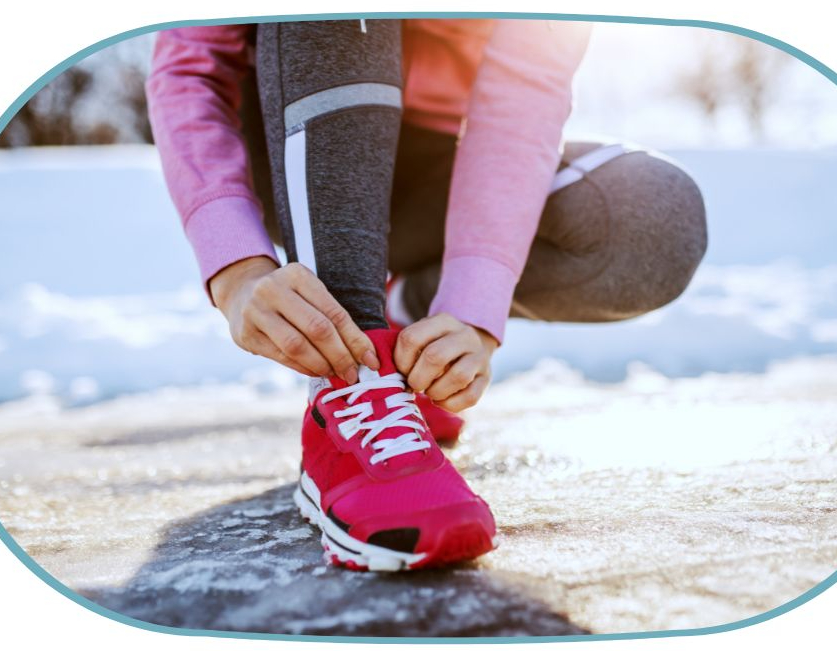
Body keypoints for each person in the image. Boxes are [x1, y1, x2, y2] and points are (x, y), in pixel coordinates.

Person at [146, 18, 707, 571]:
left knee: (651, 218)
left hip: (440, 163)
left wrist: (471, 312)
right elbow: (190, 64)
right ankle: (351, 388)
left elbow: (523, 95)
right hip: (292, 134)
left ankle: (407, 324)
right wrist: (235, 266)